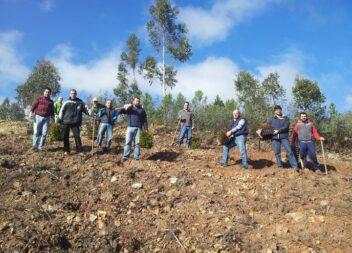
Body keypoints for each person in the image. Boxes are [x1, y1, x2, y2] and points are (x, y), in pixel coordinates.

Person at [267, 105, 298, 170]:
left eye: (279, 109)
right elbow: (267, 127)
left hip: (284, 137)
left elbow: (286, 127)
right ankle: (280, 166)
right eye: (276, 109)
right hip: (274, 138)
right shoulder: (271, 119)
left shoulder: (285, 118)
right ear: (274, 111)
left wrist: (278, 130)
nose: (278, 110)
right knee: (277, 153)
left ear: (281, 110)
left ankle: (295, 166)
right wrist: (262, 133)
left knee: (289, 151)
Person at [58, 89, 89, 154]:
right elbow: (61, 111)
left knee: (77, 136)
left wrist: (91, 113)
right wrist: (59, 118)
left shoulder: (80, 102)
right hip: (66, 121)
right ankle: (66, 150)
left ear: (76, 94)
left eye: (74, 93)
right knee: (65, 136)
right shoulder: (66, 102)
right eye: (72, 93)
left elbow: (86, 109)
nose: (73, 94)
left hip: (75, 122)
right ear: (70, 94)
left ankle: (79, 151)